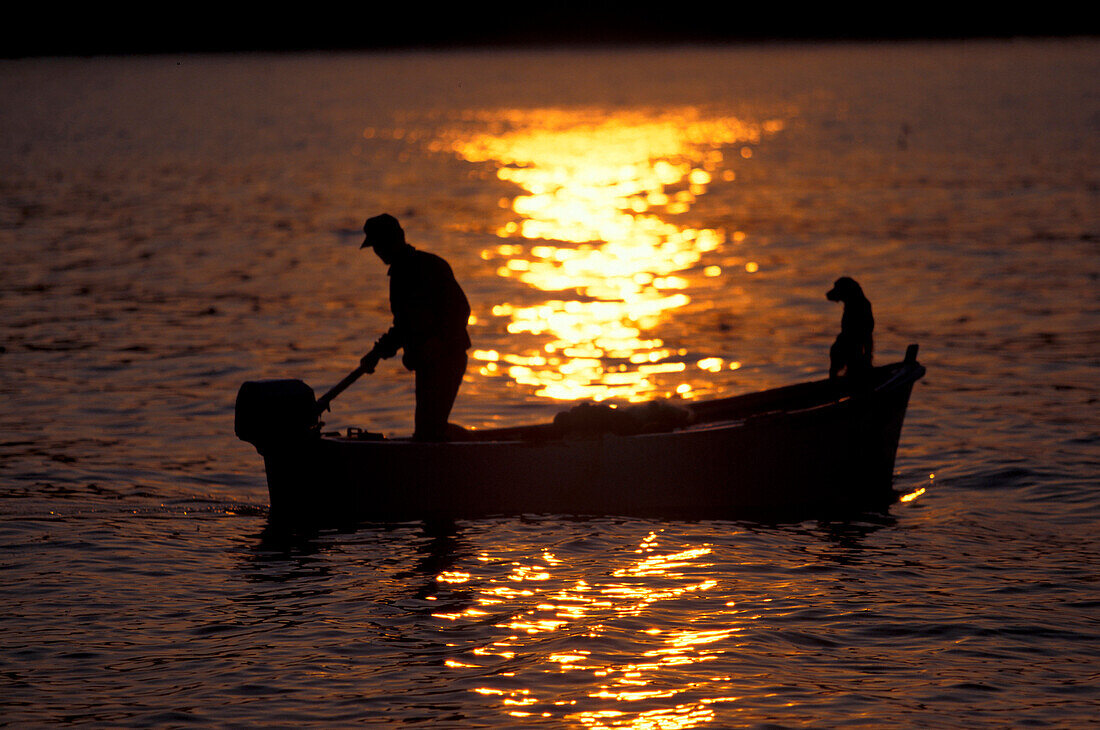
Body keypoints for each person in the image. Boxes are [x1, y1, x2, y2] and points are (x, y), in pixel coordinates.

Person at [359, 214, 471, 441]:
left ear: (397, 238)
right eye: (375, 246)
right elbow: (403, 327)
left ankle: (476, 451)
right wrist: (377, 353)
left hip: (447, 359)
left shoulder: (429, 266)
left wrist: (438, 343)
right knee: (427, 431)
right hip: (427, 364)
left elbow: (460, 310)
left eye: (380, 244)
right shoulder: (399, 275)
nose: (378, 251)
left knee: (430, 430)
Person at [826, 276, 874, 380]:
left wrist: (867, 358)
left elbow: (866, 335)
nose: (832, 292)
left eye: (837, 288)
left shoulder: (859, 307)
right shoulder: (858, 305)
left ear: (845, 291)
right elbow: (867, 336)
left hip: (852, 350)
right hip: (848, 349)